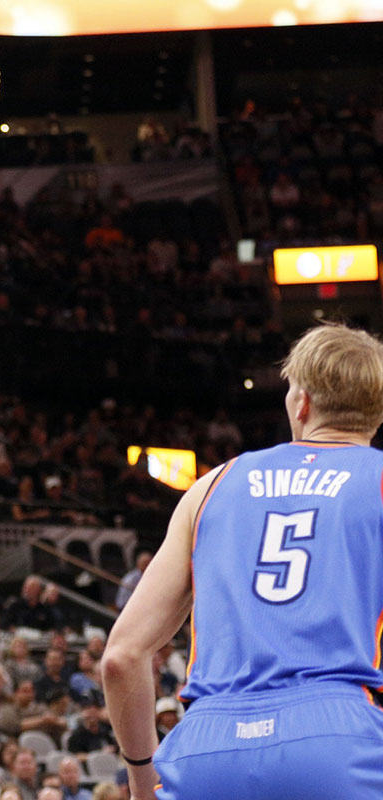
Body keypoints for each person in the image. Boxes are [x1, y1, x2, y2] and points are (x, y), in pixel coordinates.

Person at [102, 323, 383, 799]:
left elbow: (121, 657)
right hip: (336, 736)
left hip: (205, 747)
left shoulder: (211, 486)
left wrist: (141, 775)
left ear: (303, 402)